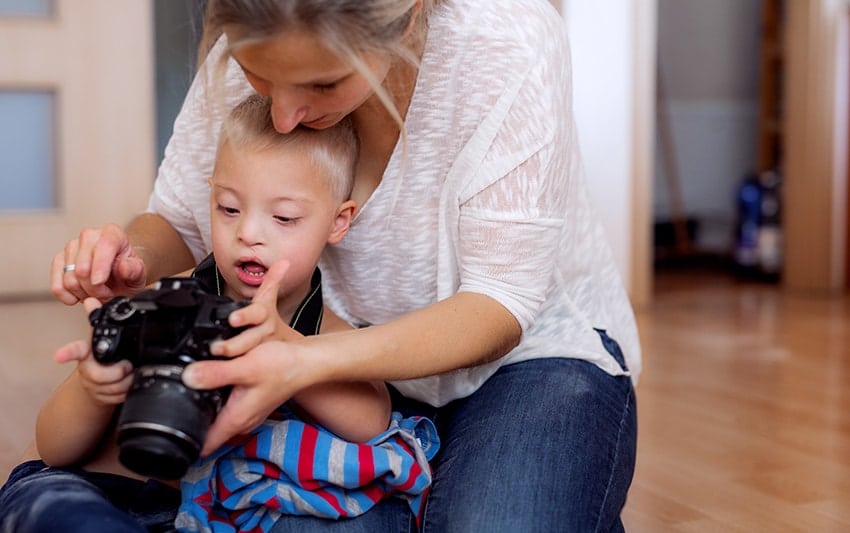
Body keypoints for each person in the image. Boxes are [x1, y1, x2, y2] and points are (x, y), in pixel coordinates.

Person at [50, 0, 642, 531]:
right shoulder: (261, 29)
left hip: (525, 362)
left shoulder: (505, 41)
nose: (282, 114)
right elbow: (178, 221)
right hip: (333, 378)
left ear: (407, 12)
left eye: (323, 83)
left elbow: (500, 303)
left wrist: (301, 360)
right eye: (260, 77)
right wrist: (131, 256)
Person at [3, 95, 436, 532]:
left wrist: (288, 352)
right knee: (49, 503)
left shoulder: (322, 332)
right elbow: (54, 449)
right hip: (108, 492)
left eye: (284, 218)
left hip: (209, 515)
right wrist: (92, 387)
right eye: (229, 208)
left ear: (338, 222)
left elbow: (372, 423)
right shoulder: (166, 302)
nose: (247, 233)